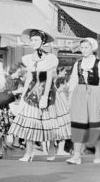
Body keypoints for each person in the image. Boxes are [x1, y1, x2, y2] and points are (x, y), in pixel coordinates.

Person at [9, 29, 69, 162]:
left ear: (42, 42)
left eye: (36, 40)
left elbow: (49, 79)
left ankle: (52, 149)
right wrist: (23, 97)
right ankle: (28, 153)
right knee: (28, 121)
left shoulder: (49, 58)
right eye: (32, 40)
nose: (34, 42)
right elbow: (29, 79)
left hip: (46, 92)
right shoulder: (29, 59)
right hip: (32, 92)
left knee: (49, 121)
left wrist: (45, 96)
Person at [66, 38, 100, 165]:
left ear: (92, 48)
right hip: (79, 95)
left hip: (95, 94)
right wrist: (70, 100)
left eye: (86, 47)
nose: (83, 50)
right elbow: (73, 82)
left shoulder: (99, 64)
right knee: (78, 124)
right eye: (82, 47)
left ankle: (98, 152)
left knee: (95, 125)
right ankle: (77, 155)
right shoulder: (77, 64)